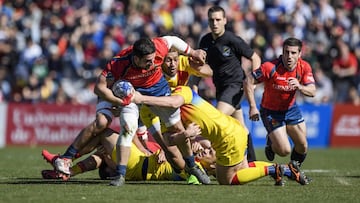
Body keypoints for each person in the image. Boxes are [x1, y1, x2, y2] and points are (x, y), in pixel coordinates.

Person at [50, 36, 211, 186]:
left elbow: (172, 39)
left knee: (177, 129)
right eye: (147, 61)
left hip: (159, 91)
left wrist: (192, 52)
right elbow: (99, 88)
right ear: (136, 58)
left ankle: (191, 166)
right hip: (132, 95)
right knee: (127, 130)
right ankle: (120, 174)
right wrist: (120, 101)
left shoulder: (159, 47)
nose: (153, 63)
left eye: (153, 58)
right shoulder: (119, 63)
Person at [131, 85, 310, 185]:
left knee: (227, 179)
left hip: (228, 137)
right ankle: (284, 169)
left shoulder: (181, 92)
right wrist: (186, 134)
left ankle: (274, 169)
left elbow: (173, 102)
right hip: (235, 129)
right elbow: (169, 140)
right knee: (243, 168)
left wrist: (142, 99)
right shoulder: (162, 117)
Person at [198, 5, 261, 162]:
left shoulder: (232, 40)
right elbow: (198, 66)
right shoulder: (205, 41)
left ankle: (211, 159)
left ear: (225, 20)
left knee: (216, 118)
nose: (215, 23)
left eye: (218, 19)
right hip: (220, 88)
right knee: (241, 127)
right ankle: (250, 162)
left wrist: (254, 82)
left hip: (235, 86)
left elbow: (255, 58)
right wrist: (194, 84)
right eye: (212, 20)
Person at [243, 37, 316, 168]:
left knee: (303, 146)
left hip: (291, 109)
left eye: (293, 53)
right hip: (270, 111)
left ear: (300, 54)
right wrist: (252, 106)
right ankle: (271, 144)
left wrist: (300, 86)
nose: (289, 56)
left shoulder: (304, 67)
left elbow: (312, 91)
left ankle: (294, 170)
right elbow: (248, 80)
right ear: (282, 52)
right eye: (286, 52)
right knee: (284, 150)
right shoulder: (270, 67)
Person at [41, 128, 203, 184]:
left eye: (208, 153)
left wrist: (185, 138)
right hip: (139, 163)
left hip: (139, 165)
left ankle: (65, 161)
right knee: (102, 148)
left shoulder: (192, 170)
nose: (206, 151)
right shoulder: (192, 160)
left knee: (103, 135)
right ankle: (66, 171)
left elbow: (175, 155)